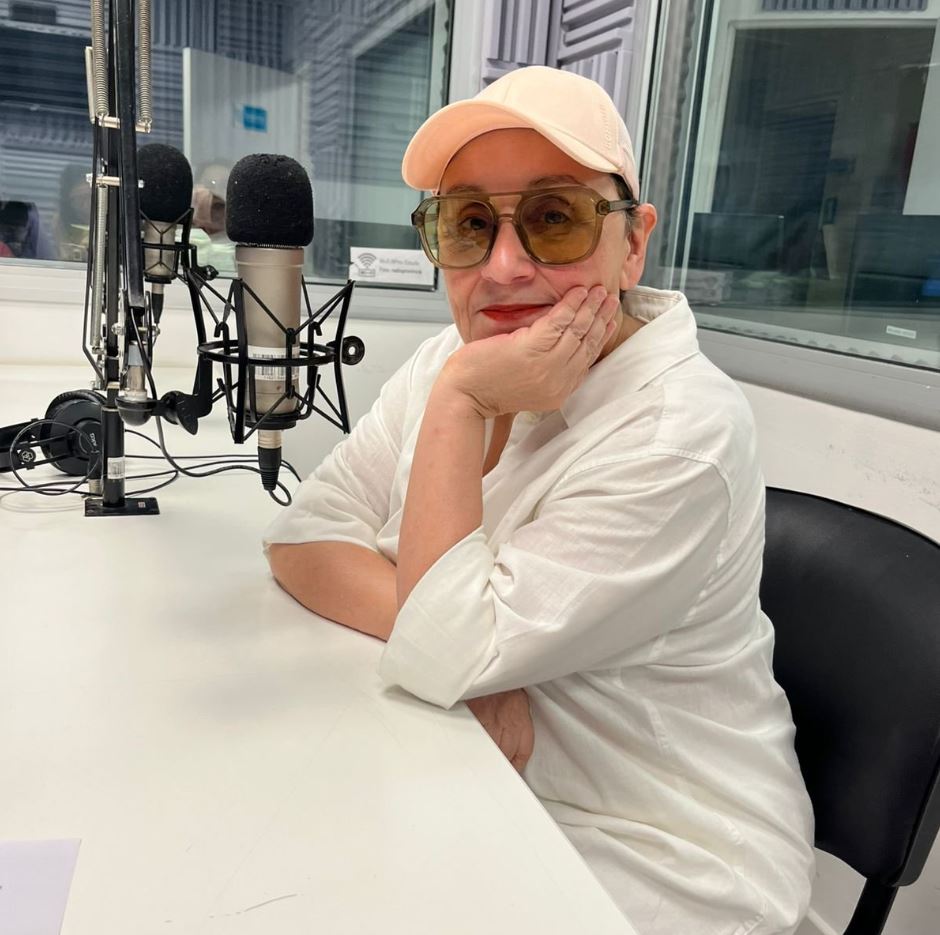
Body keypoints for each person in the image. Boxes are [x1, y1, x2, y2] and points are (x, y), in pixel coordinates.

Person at [264, 66, 814, 935]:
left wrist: (461, 407)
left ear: (632, 243)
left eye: (556, 218)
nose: (504, 266)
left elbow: (438, 651)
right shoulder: (454, 356)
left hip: (660, 856)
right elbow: (302, 537)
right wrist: (453, 650)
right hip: (482, 776)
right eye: (469, 223)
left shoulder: (677, 432)